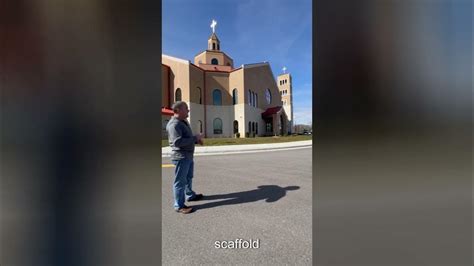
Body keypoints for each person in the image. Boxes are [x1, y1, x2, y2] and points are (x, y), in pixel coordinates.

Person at [166, 101, 204, 214]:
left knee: (188, 177)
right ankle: (179, 205)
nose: (188, 110)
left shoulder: (182, 122)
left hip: (187, 156)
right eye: (186, 108)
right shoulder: (174, 125)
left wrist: (196, 140)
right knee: (180, 182)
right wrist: (195, 138)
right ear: (178, 111)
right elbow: (177, 142)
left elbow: (186, 139)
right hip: (181, 157)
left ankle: (190, 195)